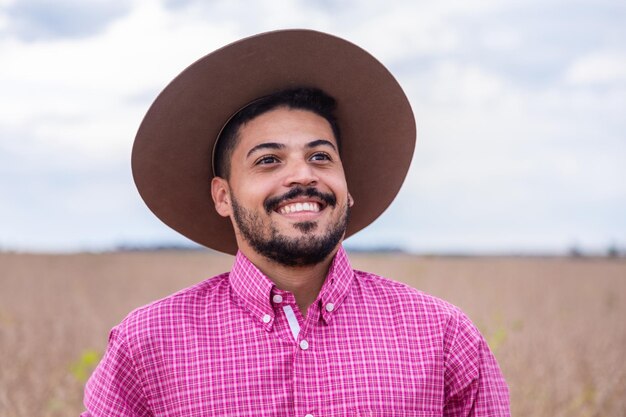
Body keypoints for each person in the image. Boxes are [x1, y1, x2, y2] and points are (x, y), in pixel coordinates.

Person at [83, 29, 510, 416]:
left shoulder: (444, 338)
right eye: (268, 160)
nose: (303, 175)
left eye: (320, 157)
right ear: (223, 196)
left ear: (347, 186)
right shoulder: (146, 347)